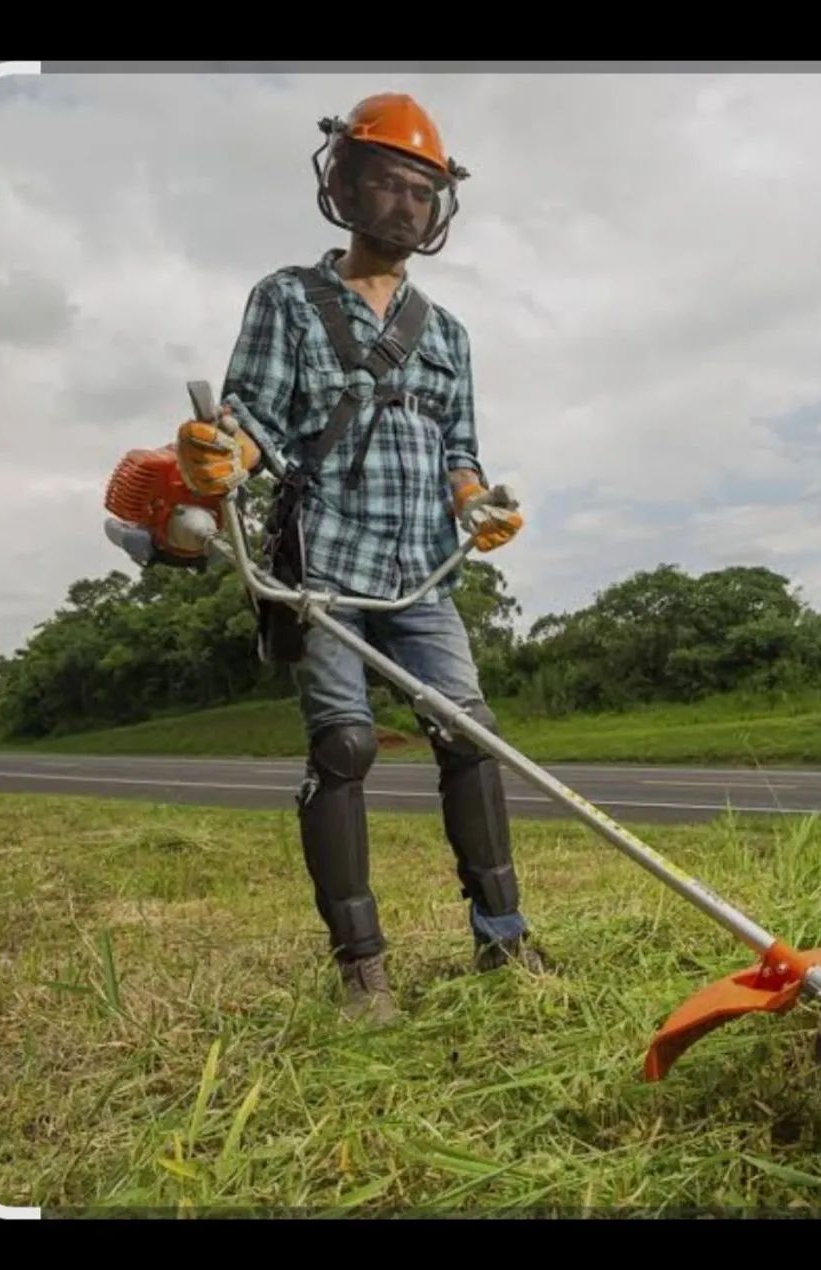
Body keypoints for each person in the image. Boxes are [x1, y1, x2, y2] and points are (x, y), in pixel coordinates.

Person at [173, 92, 548, 1026]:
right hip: (324, 564)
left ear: (440, 206)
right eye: (385, 182)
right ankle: (361, 971)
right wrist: (222, 456)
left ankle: (503, 936)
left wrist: (479, 503)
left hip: (422, 570)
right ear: (341, 184)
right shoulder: (288, 299)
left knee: (472, 735)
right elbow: (250, 419)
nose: (406, 205)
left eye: (422, 191)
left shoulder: (448, 334)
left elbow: (459, 451)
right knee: (344, 745)